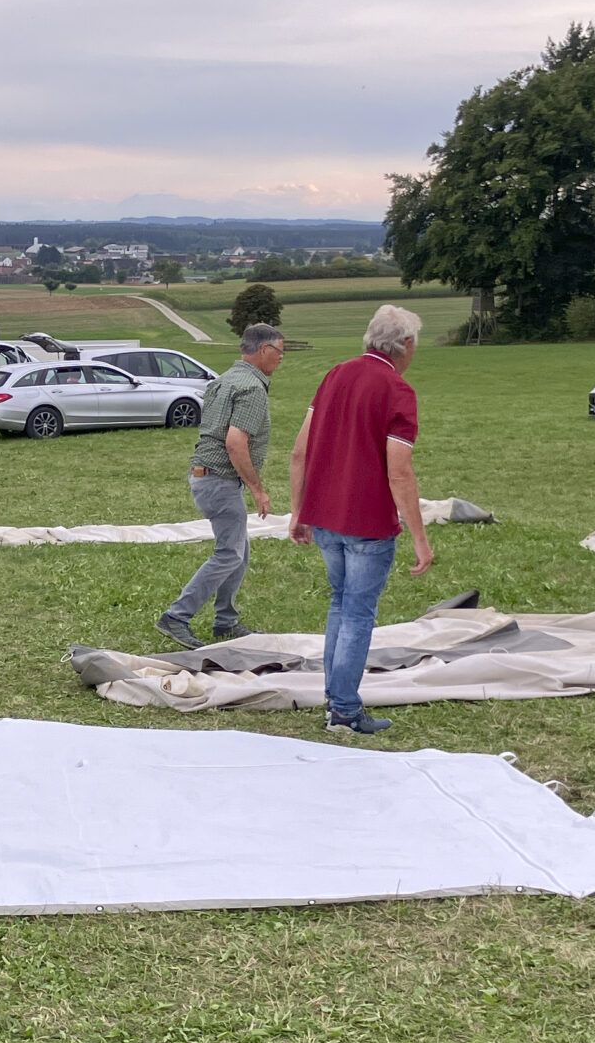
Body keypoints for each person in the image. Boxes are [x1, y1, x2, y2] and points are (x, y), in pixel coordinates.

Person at [287, 305, 432, 736]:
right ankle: (345, 710)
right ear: (406, 344)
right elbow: (399, 472)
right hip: (367, 524)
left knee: (340, 603)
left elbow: (300, 451)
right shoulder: (397, 390)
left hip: (324, 516)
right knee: (357, 613)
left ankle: (336, 697)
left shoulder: (335, 375)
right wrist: (421, 539)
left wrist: (299, 510)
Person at [156, 323, 285, 649]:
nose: (281, 359)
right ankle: (176, 616)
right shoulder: (252, 389)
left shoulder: (223, 380)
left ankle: (225, 621)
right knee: (229, 554)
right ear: (264, 350)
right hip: (219, 480)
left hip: (206, 476)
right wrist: (257, 489)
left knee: (239, 552)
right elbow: (235, 443)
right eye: (279, 352)